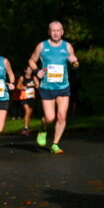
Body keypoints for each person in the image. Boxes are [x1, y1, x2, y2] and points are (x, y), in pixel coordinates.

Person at [28, 21, 79, 154]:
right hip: (47, 86)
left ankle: (55, 144)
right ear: (49, 32)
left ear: (62, 32)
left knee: (62, 116)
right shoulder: (42, 46)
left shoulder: (67, 46)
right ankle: (43, 126)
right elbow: (31, 61)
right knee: (50, 117)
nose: (56, 33)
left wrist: (74, 62)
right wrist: (36, 71)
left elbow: (75, 64)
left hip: (63, 86)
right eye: (53, 30)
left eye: (58, 30)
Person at [15, 66, 39, 136]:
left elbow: (38, 85)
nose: (30, 71)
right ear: (25, 71)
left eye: (31, 70)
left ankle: (27, 128)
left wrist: (33, 84)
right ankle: (25, 128)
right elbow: (18, 86)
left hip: (31, 97)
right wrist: (23, 88)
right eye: (28, 69)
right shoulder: (22, 78)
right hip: (24, 97)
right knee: (27, 111)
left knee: (29, 114)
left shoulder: (33, 78)